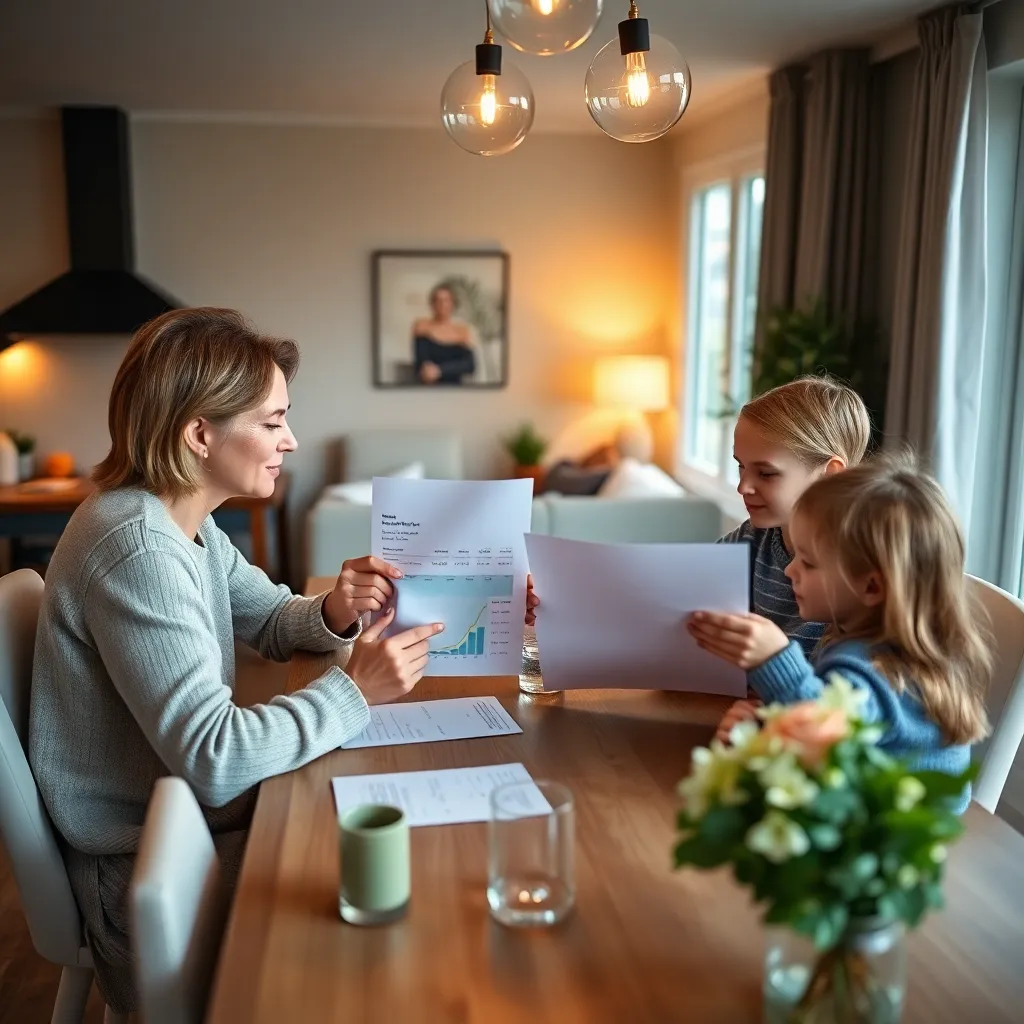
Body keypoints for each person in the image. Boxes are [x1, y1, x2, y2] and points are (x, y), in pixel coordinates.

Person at [26, 307, 513, 1014]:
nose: (290, 440)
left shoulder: (181, 521)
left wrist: (336, 609)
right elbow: (215, 755)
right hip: (149, 870)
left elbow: (270, 618)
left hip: (190, 822)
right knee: (414, 906)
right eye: (272, 421)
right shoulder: (137, 550)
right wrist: (355, 692)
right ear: (200, 433)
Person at [688, 455, 991, 813]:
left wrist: (774, 660)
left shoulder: (881, 672)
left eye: (809, 563)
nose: (789, 570)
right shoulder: (879, 646)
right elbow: (845, 733)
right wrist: (769, 723)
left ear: (872, 586)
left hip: (898, 845)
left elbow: (829, 733)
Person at [719, 375, 871, 657]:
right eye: (741, 467)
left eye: (766, 473)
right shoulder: (752, 538)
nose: (743, 487)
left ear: (830, 475)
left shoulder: (857, 573)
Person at [412, 284, 476, 384]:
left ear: (452, 304)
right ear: (432, 304)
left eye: (446, 300)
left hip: (457, 389)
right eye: (438, 300)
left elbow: (470, 365)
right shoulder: (422, 326)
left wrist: (440, 370)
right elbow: (422, 365)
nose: (442, 304)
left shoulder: (461, 330)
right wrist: (429, 372)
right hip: (430, 388)